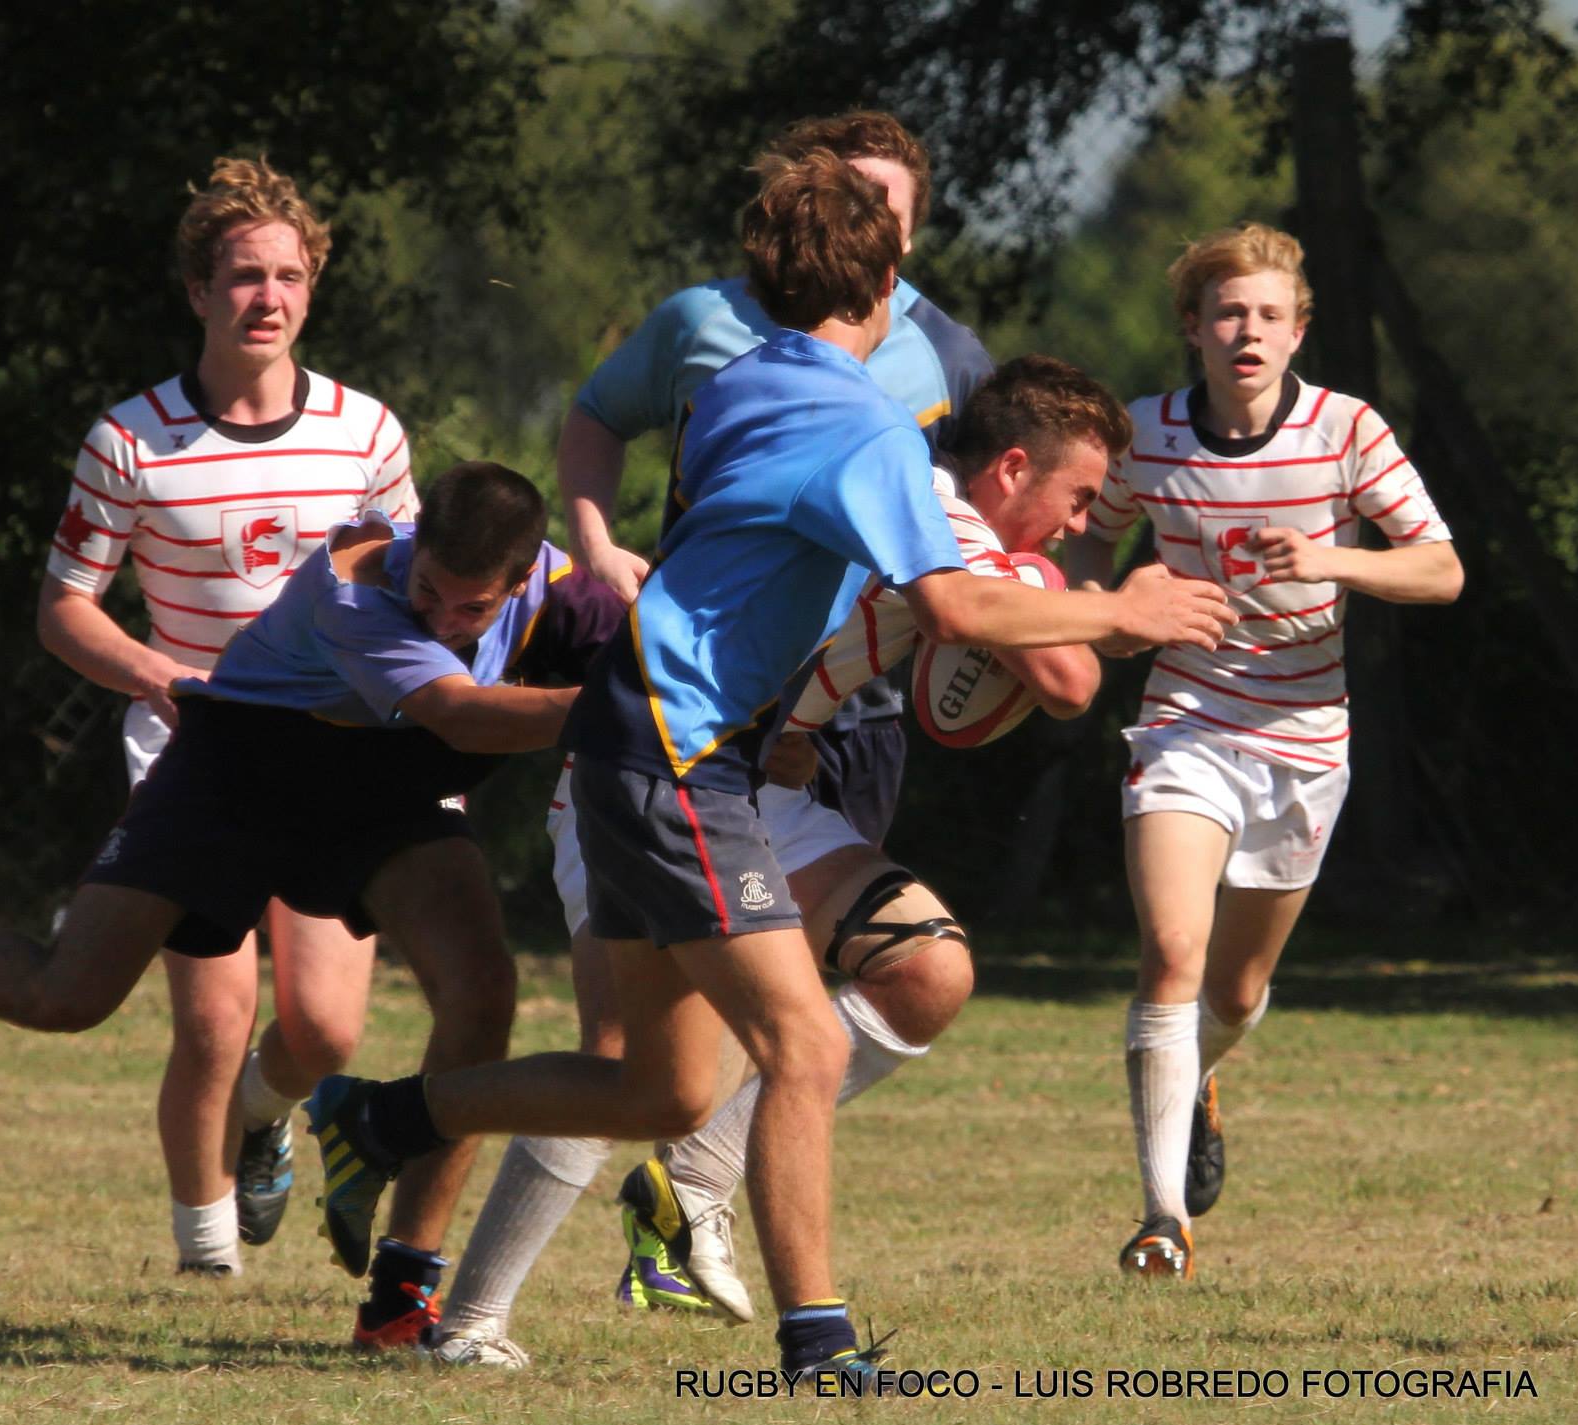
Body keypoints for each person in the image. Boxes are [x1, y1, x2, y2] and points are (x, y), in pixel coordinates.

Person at [304, 152, 1233, 1381]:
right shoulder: (867, 428)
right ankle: (819, 1347)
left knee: (665, 1095)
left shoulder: (737, 381)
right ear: (890, 276)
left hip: (647, 745)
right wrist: (1125, 614)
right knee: (806, 1044)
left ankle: (378, 1117)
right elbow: (954, 611)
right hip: (677, 755)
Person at [0, 461, 622, 1349]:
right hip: (237, 772)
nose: (440, 618)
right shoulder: (356, 585)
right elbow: (464, 715)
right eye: (430, 589)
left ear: (522, 578)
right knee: (70, 995)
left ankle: (400, 1298)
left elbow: (645, 648)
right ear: (415, 550)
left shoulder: (558, 588)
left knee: (482, 994)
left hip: (386, 797)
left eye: (470, 610)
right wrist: (630, 704)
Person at [429, 356, 1133, 1365]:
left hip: (737, 784)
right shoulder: (942, 518)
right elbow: (1065, 679)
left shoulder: (906, 493)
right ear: (1012, 469)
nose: (1075, 525)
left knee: (923, 967)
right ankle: (461, 1303)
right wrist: (1118, 607)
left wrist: (802, 716)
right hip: (644, 772)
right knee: (629, 1058)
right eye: (1074, 499)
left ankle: (689, 1184)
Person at [36, 157, 417, 1276]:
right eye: (244, 275)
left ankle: (264, 1115)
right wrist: (160, 678)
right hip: (194, 748)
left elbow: (412, 594)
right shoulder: (129, 440)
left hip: (333, 750)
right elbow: (64, 610)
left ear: (311, 289)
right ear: (199, 291)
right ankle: (204, 1253)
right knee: (208, 1020)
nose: (268, 297)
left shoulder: (367, 435)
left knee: (327, 1031)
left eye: (288, 276)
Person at [1060, 223, 1462, 1281]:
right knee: (1171, 955)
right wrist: (1109, 606)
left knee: (1231, 996)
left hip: (1303, 738)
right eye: (1226, 313)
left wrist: (1330, 557)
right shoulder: (1143, 435)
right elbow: (1089, 531)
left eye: (1267, 314)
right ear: (1192, 329)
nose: (1246, 331)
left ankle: (1194, 1079)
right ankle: (1160, 1219)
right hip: (1186, 721)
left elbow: (1438, 572)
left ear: (1295, 331)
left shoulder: (1345, 429)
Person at [560, 110, 992, 849]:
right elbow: (598, 414)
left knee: (846, 949)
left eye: (881, 205)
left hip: (854, 711)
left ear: (906, 237)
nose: (855, 219)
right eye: (841, 195)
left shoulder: (946, 357)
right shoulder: (704, 320)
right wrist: (595, 547)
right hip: (710, 688)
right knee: (713, 943)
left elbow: (982, 527)